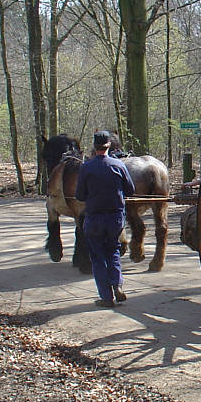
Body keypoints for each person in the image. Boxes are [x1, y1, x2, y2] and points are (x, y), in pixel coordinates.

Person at [75, 130, 135, 308]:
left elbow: (79, 195)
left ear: (94, 147)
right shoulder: (119, 165)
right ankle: (117, 285)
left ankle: (106, 297)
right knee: (113, 251)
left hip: (94, 218)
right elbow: (130, 190)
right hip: (115, 217)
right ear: (109, 146)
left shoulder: (86, 167)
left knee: (97, 256)